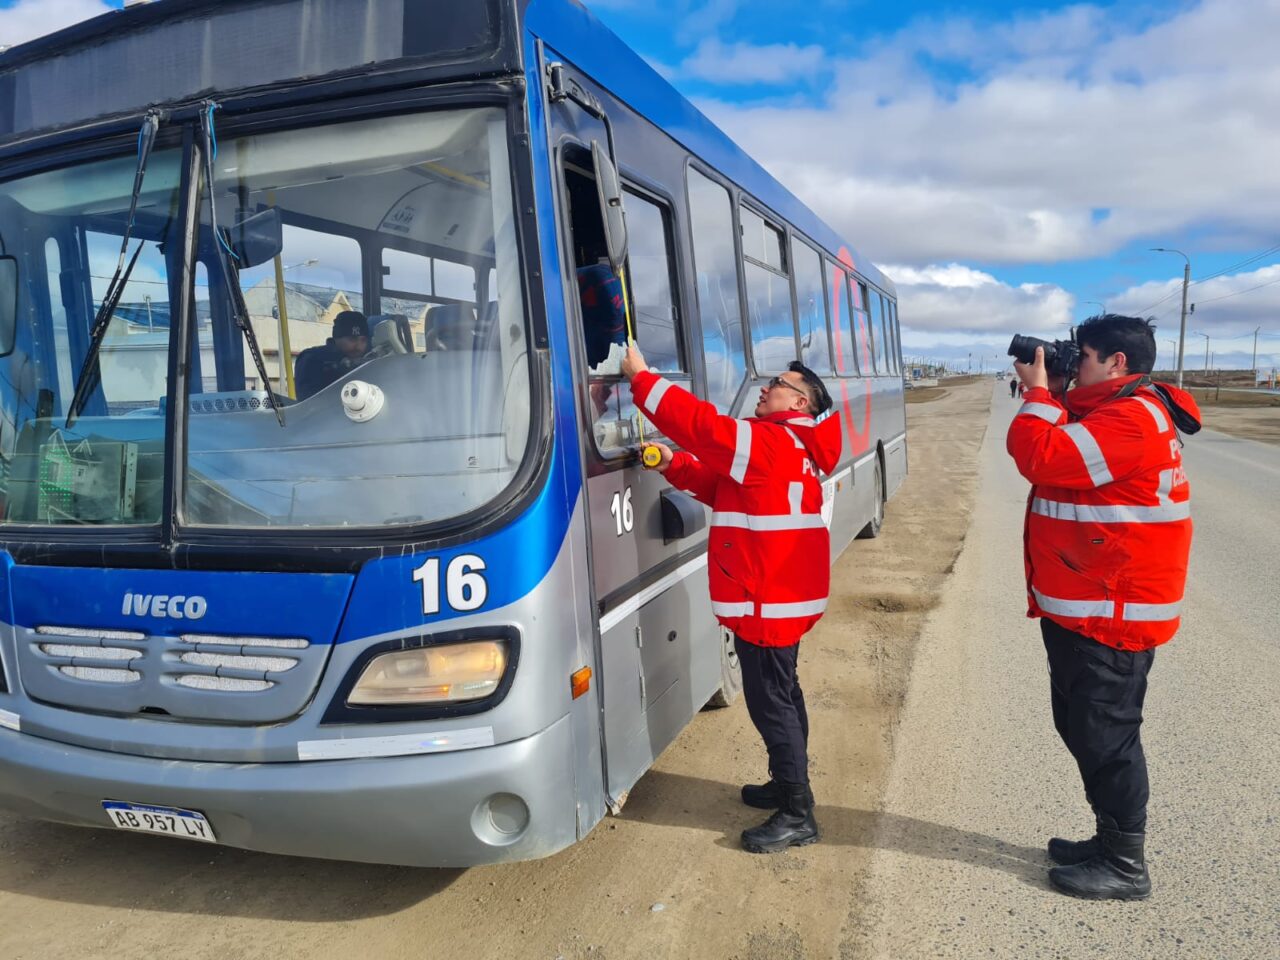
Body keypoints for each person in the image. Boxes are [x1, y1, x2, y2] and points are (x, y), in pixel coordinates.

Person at [1007, 314, 1201, 901]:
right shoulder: (1114, 410)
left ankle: (1124, 864)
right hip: (1089, 604)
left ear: (1118, 363)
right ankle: (1107, 839)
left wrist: (1041, 393)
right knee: (1083, 728)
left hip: (1112, 612)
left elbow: (1040, 458)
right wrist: (1057, 391)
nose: (1072, 362)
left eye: (1081, 355)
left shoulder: (1130, 419)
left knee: (1106, 739)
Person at [621, 342, 842, 854]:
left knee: (772, 706)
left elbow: (703, 426)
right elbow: (721, 487)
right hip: (780, 598)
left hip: (768, 601)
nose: (766, 388)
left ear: (800, 404)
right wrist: (671, 464)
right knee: (783, 696)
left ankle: (797, 811)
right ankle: (786, 785)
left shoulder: (770, 442)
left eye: (779, 385)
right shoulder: (789, 448)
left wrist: (642, 378)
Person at [294, 310, 370, 399]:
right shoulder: (312, 359)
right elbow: (309, 402)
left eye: (363, 340)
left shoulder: (370, 361)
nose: (359, 346)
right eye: (352, 339)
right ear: (337, 338)